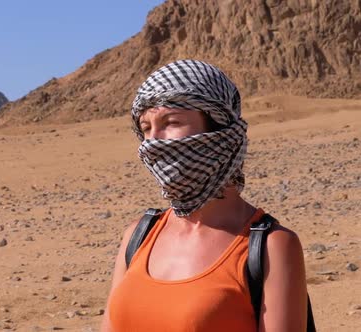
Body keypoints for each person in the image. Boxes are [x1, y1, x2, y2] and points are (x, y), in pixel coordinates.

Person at [100, 60, 308, 331]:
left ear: (219, 130)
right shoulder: (138, 236)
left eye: (171, 122)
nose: (153, 142)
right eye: (146, 127)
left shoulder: (271, 247)